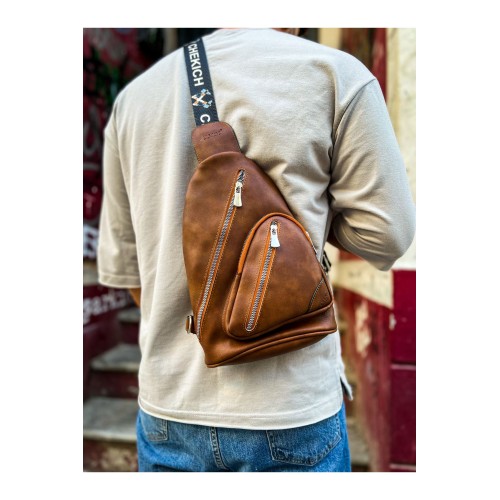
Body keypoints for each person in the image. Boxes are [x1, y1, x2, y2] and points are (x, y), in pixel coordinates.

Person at [97, 28, 416, 472]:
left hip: (170, 408)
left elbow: (127, 273)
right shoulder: (336, 75)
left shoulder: (133, 99)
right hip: (291, 408)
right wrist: (306, 229)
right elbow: (388, 236)